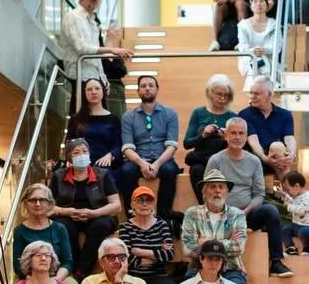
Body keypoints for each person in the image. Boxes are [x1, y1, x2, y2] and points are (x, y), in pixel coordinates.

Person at [207, 117, 294, 279]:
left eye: (241, 133)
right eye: (233, 133)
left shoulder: (254, 161)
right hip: (221, 216)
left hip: (248, 214)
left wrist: (245, 212)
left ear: (246, 137)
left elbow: (259, 193)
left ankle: (276, 262)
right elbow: (208, 193)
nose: (237, 137)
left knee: (270, 210)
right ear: (226, 136)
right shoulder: (215, 160)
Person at [50, 138, 123, 278]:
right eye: (76, 153)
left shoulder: (103, 175)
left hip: (98, 215)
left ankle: (82, 270)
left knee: (99, 226)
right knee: (63, 227)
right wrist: (66, 211)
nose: (81, 155)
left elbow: (116, 205)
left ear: (89, 154)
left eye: (84, 151)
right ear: (69, 157)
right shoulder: (58, 176)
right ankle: (72, 264)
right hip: (68, 216)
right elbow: (48, 206)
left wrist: (93, 213)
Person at [59, 0, 132, 111]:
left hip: (94, 78)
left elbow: (95, 57)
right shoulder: (73, 17)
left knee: (99, 121)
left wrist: (103, 78)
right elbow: (81, 48)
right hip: (79, 79)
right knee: (81, 123)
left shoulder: (93, 22)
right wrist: (112, 49)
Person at [116, 70, 181, 216]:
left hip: (163, 158)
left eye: (151, 85)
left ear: (157, 89)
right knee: (126, 171)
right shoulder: (128, 116)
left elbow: (172, 146)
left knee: (170, 170)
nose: (147, 88)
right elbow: (127, 148)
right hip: (137, 159)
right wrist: (142, 164)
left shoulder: (170, 114)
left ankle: (164, 216)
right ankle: (132, 214)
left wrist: (157, 164)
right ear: (138, 91)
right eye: (143, 86)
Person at [116, 185, 176, 284]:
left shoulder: (162, 225)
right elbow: (127, 259)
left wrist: (141, 251)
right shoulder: (126, 227)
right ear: (132, 204)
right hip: (134, 275)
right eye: (140, 200)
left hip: (158, 274)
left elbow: (169, 255)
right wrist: (156, 254)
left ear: (153, 204)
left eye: (148, 201)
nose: (144, 204)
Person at [180, 168, 249, 284]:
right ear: (204, 192)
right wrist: (226, 242)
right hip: (199, 267)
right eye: (212, 187)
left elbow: (238, 248)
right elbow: (187, 248)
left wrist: (206, 243)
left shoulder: (237, 215)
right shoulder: (192, 213)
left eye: (221, 187)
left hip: (230, 267)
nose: (217, 190)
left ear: (226, 192)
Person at [182, 73, 240, 201]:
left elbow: (240, 145)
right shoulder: (198, 113)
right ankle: (204, 205)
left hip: (225, 159)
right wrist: (203, 135)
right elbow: (187, 143)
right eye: (219, 94)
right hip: (201, 159)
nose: (222, 98)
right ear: (210, 93)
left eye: (226, 95)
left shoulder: (233, 116)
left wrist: (226, 137)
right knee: (197, 170)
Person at [12, 183, 76, 284]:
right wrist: (36, 281)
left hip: (58, 277)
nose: (37, 204)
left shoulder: (60, 229)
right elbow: (17, 264)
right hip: (30, 278)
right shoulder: (19, 231)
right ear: (25, 204)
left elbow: (68, 262)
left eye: (42, 200)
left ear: (49, 204)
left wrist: (56, 280)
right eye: (33, 200)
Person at [65, 78, 122, 178]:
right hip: (80, 161)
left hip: (104, 163)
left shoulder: (113, 119)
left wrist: (110, 155)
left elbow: (117, 144)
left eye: (97, 88)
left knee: (105, 175)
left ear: (103, 92)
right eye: (89, 89)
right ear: (84, 93)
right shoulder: (76, 119)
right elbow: (69, 142)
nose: (94, 92)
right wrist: (69, 159)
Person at [238, 78, 296, 176]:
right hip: (256, 157)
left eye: (257, 94)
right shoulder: (244, 115)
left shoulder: (285, 114)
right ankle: (287, 186)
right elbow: (253, 142)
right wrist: (265, 158)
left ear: (270, 94)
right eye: (251, 93)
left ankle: (286, 185)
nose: (252, 97)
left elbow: (290, 138)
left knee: (278, 147)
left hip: (279, 156)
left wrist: (292, 154)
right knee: (277, 147)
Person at [236, 0, 276, 86]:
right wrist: (254, 51)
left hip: (269, 61)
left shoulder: (274, 24)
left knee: (262, 62)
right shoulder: (243, 25)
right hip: (249, 59)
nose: (258, 4)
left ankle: (257, 91)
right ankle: (258, 90)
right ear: (251, 6)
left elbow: (276, 47)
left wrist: (263, 51)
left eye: (262, 1)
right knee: (254, 66)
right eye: (255, 1)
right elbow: (243, 47)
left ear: (267, 5)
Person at [278, 171, 309, 255]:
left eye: (288, 189)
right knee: (284, 230)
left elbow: (301, 210)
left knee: (303, 232)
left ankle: (307, 249)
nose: (288, 192)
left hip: (308, 226)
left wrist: (288, 206)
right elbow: (293, 202)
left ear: (297, 186)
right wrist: (285, 195)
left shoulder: (307, 197)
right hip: (296, 225)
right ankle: (290, 247)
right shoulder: (297, 195)